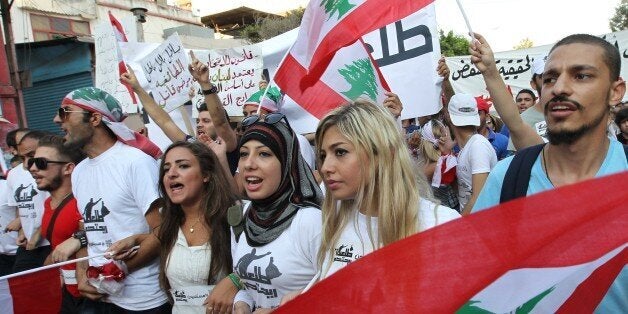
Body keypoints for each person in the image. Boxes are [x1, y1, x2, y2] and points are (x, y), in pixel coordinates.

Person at [470, 33, 627, 313]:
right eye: (550, 78)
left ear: (616, 92)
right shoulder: (508, 177)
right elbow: (473, 284)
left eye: (581, 76)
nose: (559, 88)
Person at [314, 101, 460, 281]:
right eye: (322, 156)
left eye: (340, 152)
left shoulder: (442, 225)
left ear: (383, 153)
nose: (326, 167)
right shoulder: (333, 219)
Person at [53, 87, 168, 312]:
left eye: (66, 112)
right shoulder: (79, 172)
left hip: (142, 300)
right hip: (100, 296)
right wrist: (82, 271)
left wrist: (117, 272)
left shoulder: (135, 163)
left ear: (95, 118)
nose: (57, 119)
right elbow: (86, 227)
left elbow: (163, 231)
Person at [108, 141, 238, 314]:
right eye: (166, 169)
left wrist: (235, 281)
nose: (172, 174)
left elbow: (268, 263)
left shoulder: (234, 216)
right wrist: (137, 239)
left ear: (206, 174)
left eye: (183, 166)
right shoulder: (169, 223)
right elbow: (170, 243)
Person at [230, 113, 323, 312]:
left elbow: (336, 292)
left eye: (264, 154)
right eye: (244, 153)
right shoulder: (243, 216)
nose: (249, 164)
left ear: (287, 162)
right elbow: (252, 284)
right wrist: (242, 303)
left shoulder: (310, 220)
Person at [120, 63, 240, 174]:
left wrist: (205, 84)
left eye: (206, 121)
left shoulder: (227, 145)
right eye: (198, 121)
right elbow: (164, 121)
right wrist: (137, 89)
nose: (199, 125)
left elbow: (221, 122)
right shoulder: (192, 144)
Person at [29, 134, 86, 313]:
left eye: (41, 163)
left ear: (68, 168)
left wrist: (79, 238)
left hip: (89, 295)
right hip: (66, 294)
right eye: (31, 162)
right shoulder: (48, 203)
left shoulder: (82, 201)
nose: (32, 168)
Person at [8, 130, 52, 272]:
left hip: (52, 243)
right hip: (28, 246)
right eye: (23, 157)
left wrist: (38, 234)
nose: (28, 164)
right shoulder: (13, 175)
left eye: (31, 155)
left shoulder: (51, 170)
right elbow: (21, 208)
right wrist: (22, 232)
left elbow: (56, 205)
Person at [447, 94, 497, 215]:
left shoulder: (478, 146)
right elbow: (465, 190)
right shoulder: (467, 147)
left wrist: (458, 225)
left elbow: (479, 197)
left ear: (449, 117)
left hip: (481, 224)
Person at [418, 119, 459, 211]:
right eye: (446, 133)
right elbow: (456, 186)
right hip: (448, 212)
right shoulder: (439, 164)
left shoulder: (426, 163)